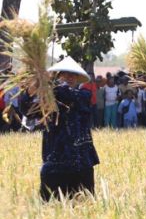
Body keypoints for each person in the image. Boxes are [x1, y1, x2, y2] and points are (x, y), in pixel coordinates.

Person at [20, 57, 99, 201]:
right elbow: (27, 110)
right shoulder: (48, 103)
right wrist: (33, 88)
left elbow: (67, 95)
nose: (68, 78)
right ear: (57, 76)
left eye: (72, 75)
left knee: (86, 210)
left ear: (77, 79)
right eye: (64, 74)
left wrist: (49, 85)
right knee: (50, 210)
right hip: (55, 164)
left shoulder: (82, 96)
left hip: (81, 163)